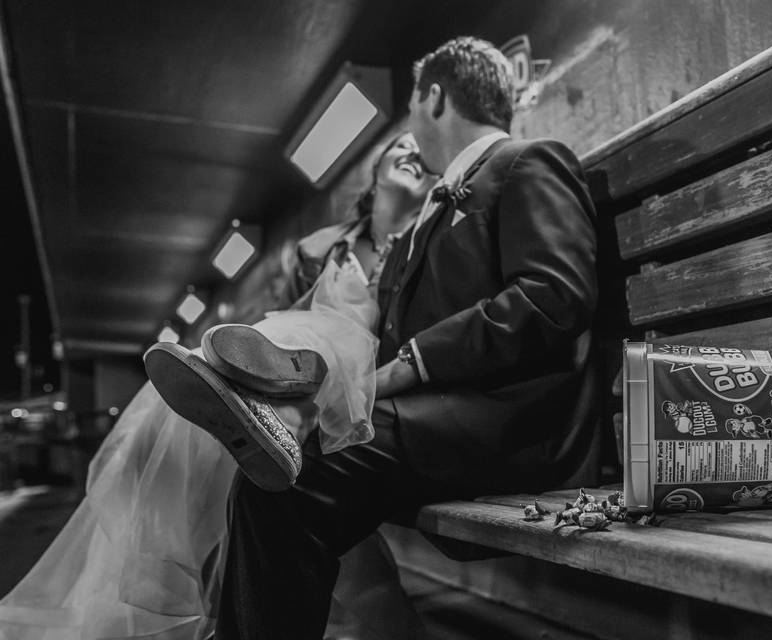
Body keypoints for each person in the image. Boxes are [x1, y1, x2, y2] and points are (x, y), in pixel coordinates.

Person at [147, 36, 600, 639]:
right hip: (457, 419)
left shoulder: (528, 161)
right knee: (278, 476)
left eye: (412, 104)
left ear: (433, 97)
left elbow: (553, 297)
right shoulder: (428, 215)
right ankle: (281, 402)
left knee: (296, 477)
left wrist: (410, 362)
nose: (412, 119)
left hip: (518, 425)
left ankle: (281, 409)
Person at [0, 132, 434, 640]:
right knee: (208, 435)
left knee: (318, 349)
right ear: (375, 165)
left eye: (421, 150)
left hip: (373, 391)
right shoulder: (319, 247)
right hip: (309, 374)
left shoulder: (429, 241)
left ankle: (268, 411)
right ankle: (259, 410)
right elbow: (296, 304)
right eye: (399, 144)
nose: (411, 152)